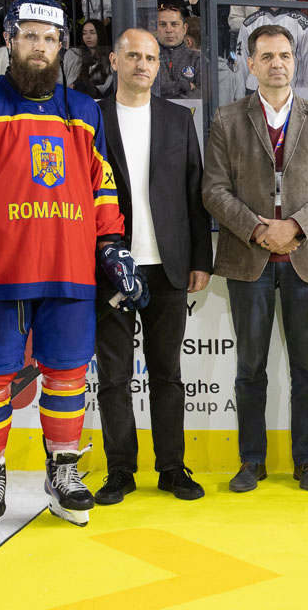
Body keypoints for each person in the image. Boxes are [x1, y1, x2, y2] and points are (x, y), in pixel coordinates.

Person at [0, 0, 147, 532]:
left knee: (68, 376)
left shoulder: (83, 110)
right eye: (29, 37)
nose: (39, 47)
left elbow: (101, 186)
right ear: (9, 40)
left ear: (61, 45)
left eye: (49, 39)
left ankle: (62, 471)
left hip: (69, 269)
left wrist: (111, 245)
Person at [202, 23, 308, 493]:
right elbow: (213, 190)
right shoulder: (227, 119)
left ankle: (307, 461)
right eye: (266, 56)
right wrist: (259, 229)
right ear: (251, 65)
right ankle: (252, 461)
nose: (277, 64)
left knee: (306, 369)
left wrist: (295, 226)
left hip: (307, 260)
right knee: (250, 369)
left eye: (284, 55)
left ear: (295, 61)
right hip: (250, 260)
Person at [92, 28, 212, 506]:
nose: (142, 64)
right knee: (114, 378)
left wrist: (200, 259)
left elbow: (194, 193)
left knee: (167, 374)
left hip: (168, 266)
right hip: (108, 266)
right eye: (133, 56)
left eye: (151, 57)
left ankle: (171, 468)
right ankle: (120, 470)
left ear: (160, 65)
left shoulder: (178, 119)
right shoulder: (91, 117)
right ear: (114, 61)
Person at [235, 0, 308, 98]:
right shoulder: (250, 23)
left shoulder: (303, 23)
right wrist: (240, 96)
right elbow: (242, 60)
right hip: (255, 91)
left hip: (290, 92)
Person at [154, 2, 202, 99]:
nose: (169, 30)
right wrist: (186, 85)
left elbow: (203, 95)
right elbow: (153, 90)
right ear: (156, 28)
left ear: (184, 28)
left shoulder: (197, 58)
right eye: (163, 24)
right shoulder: (148, 57)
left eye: (174, 24)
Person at [65, 19, 113, 97]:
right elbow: (59, 81)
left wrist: (81, 89)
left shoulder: (109, 58)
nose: (87, 37)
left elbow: (106, 88)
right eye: (84, 33)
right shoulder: (73, 54)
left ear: (100, 34)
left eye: (92, 33)